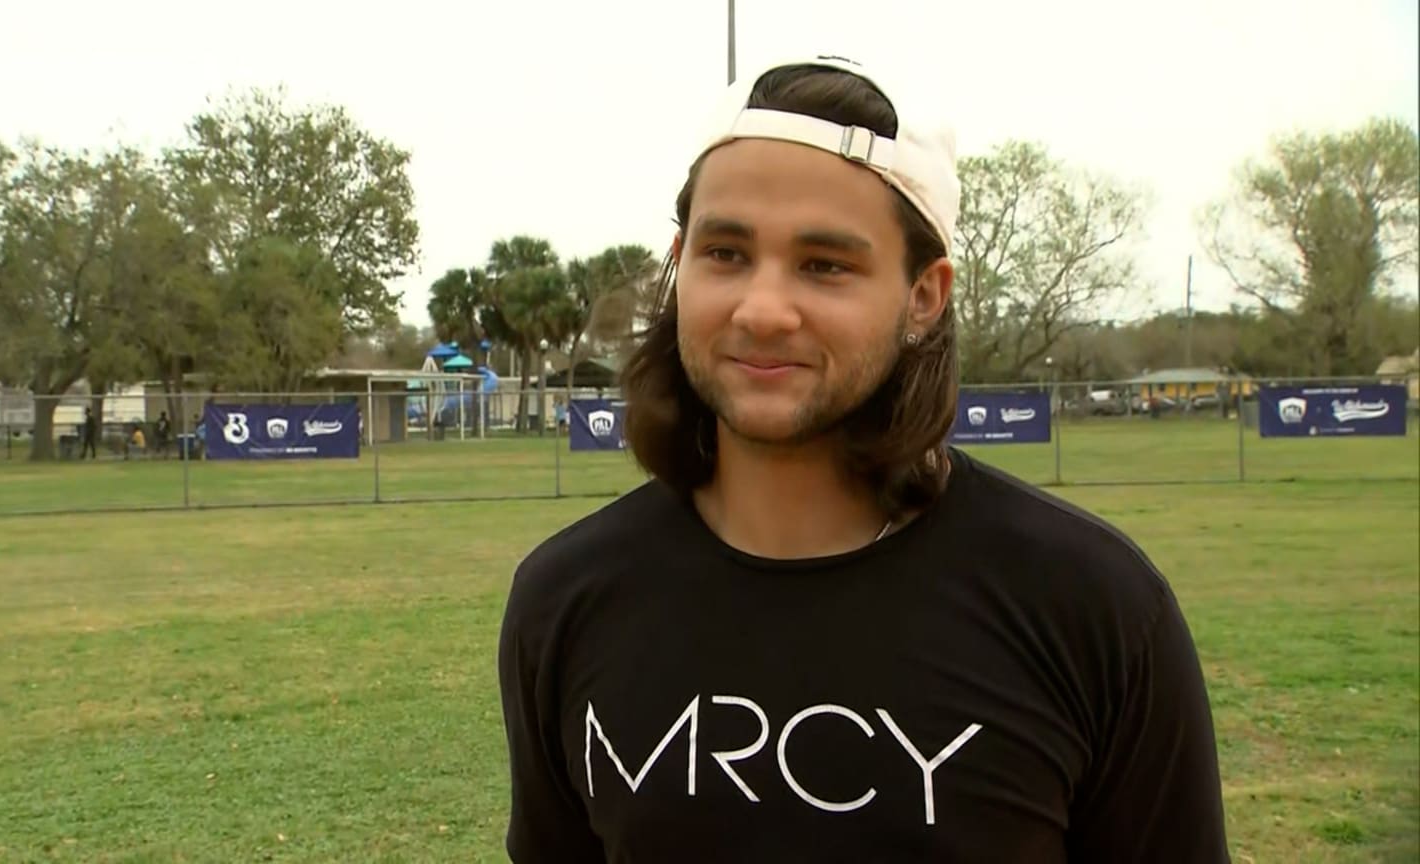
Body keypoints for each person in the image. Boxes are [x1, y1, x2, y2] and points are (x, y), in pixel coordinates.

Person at [497, 56, 1229, 863]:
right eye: (726, 253)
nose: (763, 309)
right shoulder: (565, 599)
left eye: (826, 265)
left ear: (925, 296)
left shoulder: (1093, 608)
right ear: (680, 263)